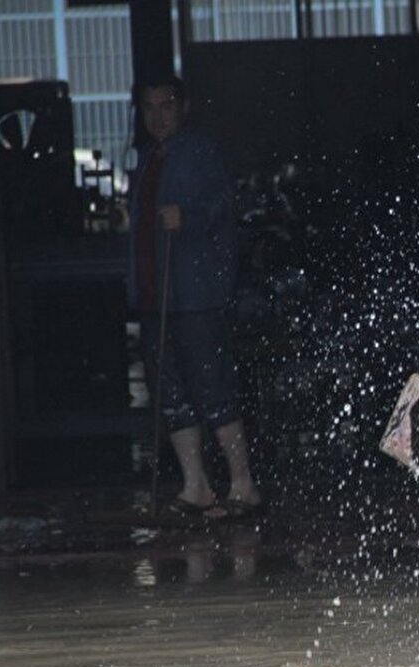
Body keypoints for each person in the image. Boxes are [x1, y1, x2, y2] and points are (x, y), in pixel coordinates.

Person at [128, 74, 261, 519]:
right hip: (156, 293)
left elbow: (226, 205)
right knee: (171, 391)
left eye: (165, 105)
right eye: (148, 107)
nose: (157, 115)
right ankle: (196, 485)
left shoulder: (200, 152)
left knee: (213, 385)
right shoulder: (147, 158)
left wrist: (189, 216)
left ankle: (243, 483)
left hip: (196, 292)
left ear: (183, 108)